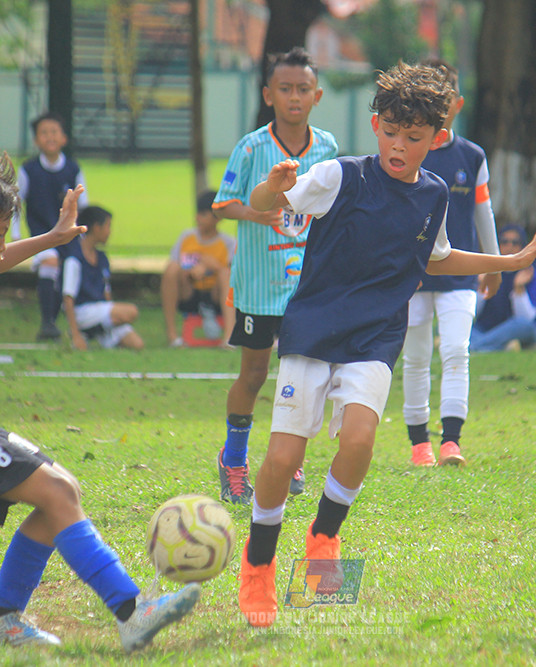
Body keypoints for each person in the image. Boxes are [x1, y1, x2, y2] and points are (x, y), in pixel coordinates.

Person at [235, 61, 536, 629]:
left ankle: (323, 542)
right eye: (391, 132)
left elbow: (438, 257)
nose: (399, 146)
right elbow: (264, 205)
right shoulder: (339, 176)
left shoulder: (433, 193)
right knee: (284, 457)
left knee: (358, 441)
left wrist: (507, 261)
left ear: (436, 139)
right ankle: (259, 561)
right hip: (312, 328)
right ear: (376, 123)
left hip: (376, 334)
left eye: (414, 138)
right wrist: (275, 185)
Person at [0, 153, 199, 653]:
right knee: (58, 494)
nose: (3, 244)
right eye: (0, 232)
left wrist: (52, 237)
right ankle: (132, 613)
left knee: (60, 491)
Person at [212, 47, 338, 505]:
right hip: (259, 285)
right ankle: (235, 458)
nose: (294, 97)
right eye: (285, 89)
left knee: (301, 374)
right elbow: (222, 204)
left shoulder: (326, 147)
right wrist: (256, 211)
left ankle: (288, 456)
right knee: (254, 375)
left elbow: (329, 207)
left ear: (317, 95)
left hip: (304, 286)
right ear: (269, 95)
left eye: (303, 89)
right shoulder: (251, 147)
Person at [400, 58, 501, 468]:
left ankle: (451, 443)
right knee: (417, 357)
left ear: (455, 104)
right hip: (415, 277)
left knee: (458, 351)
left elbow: (484, 212)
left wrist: (493, 263)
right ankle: (419, 444)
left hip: (460, 275)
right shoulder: (406, 150)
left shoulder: (472, 156)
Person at [10, 111, 89, 342]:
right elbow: (16, 201)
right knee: (50, 262)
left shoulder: (73, 169)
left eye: (54, 132)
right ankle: (47, 322)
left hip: (70, 236)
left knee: (71, 266)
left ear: (64, 138)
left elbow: (83, 205)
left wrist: (82, 235)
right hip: (41, 235)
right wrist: (15, 234)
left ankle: (63, 323)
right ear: (36, 140)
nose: (50, 137)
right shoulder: (28, 170)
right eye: (44, 133)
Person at [61, 205, 144, 351]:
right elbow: (68, 298)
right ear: (96, 228)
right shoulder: (74, 259)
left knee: (137, 344)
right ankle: (80, 333)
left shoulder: (102, 259)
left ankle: (96, 333)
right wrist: (75, 334)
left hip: (101, 312)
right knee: (132, 311)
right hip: (83, 311)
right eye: (108, 226)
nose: (110, 232)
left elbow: (106, 292)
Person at [162, 190, 237, 348]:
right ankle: (172, 335)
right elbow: (175, 265)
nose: (197, 218)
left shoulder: (228, 242)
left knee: (226, 273)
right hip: (189, 292)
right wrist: (191, 271)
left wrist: (211, 265)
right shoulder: (186, 237)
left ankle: (229, 337)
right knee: (171, 269)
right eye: (197, 213)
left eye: (203, 214)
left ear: (217, 217)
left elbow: (232, 274)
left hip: (216, 295)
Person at [468, 224, 536, 353]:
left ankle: (476, 346)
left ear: (522, 246)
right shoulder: (488, 270)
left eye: (515, 243)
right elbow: (473, 312)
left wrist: (519, 288)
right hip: (486, 328)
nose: (509, 247)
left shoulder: (532, 272)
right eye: (504, 242)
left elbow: (527, 318)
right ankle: (502, 345)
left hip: (518, 328)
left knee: (522, 325)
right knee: (458, 323)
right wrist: (483, 288)